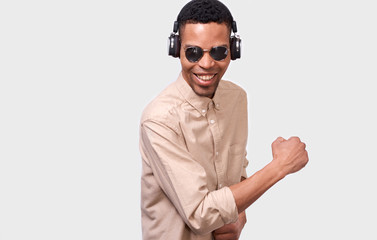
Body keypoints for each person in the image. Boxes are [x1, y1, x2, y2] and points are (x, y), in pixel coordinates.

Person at [139, 0, 309, 239]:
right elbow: (200, 214)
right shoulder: (158, 120)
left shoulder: (236, 98)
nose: (206, 64)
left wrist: (238, 217)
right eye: (193, 52)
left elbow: (237, 171)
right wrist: (279, 166)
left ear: (234, 49)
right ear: (176, 49)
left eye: (218, 51)